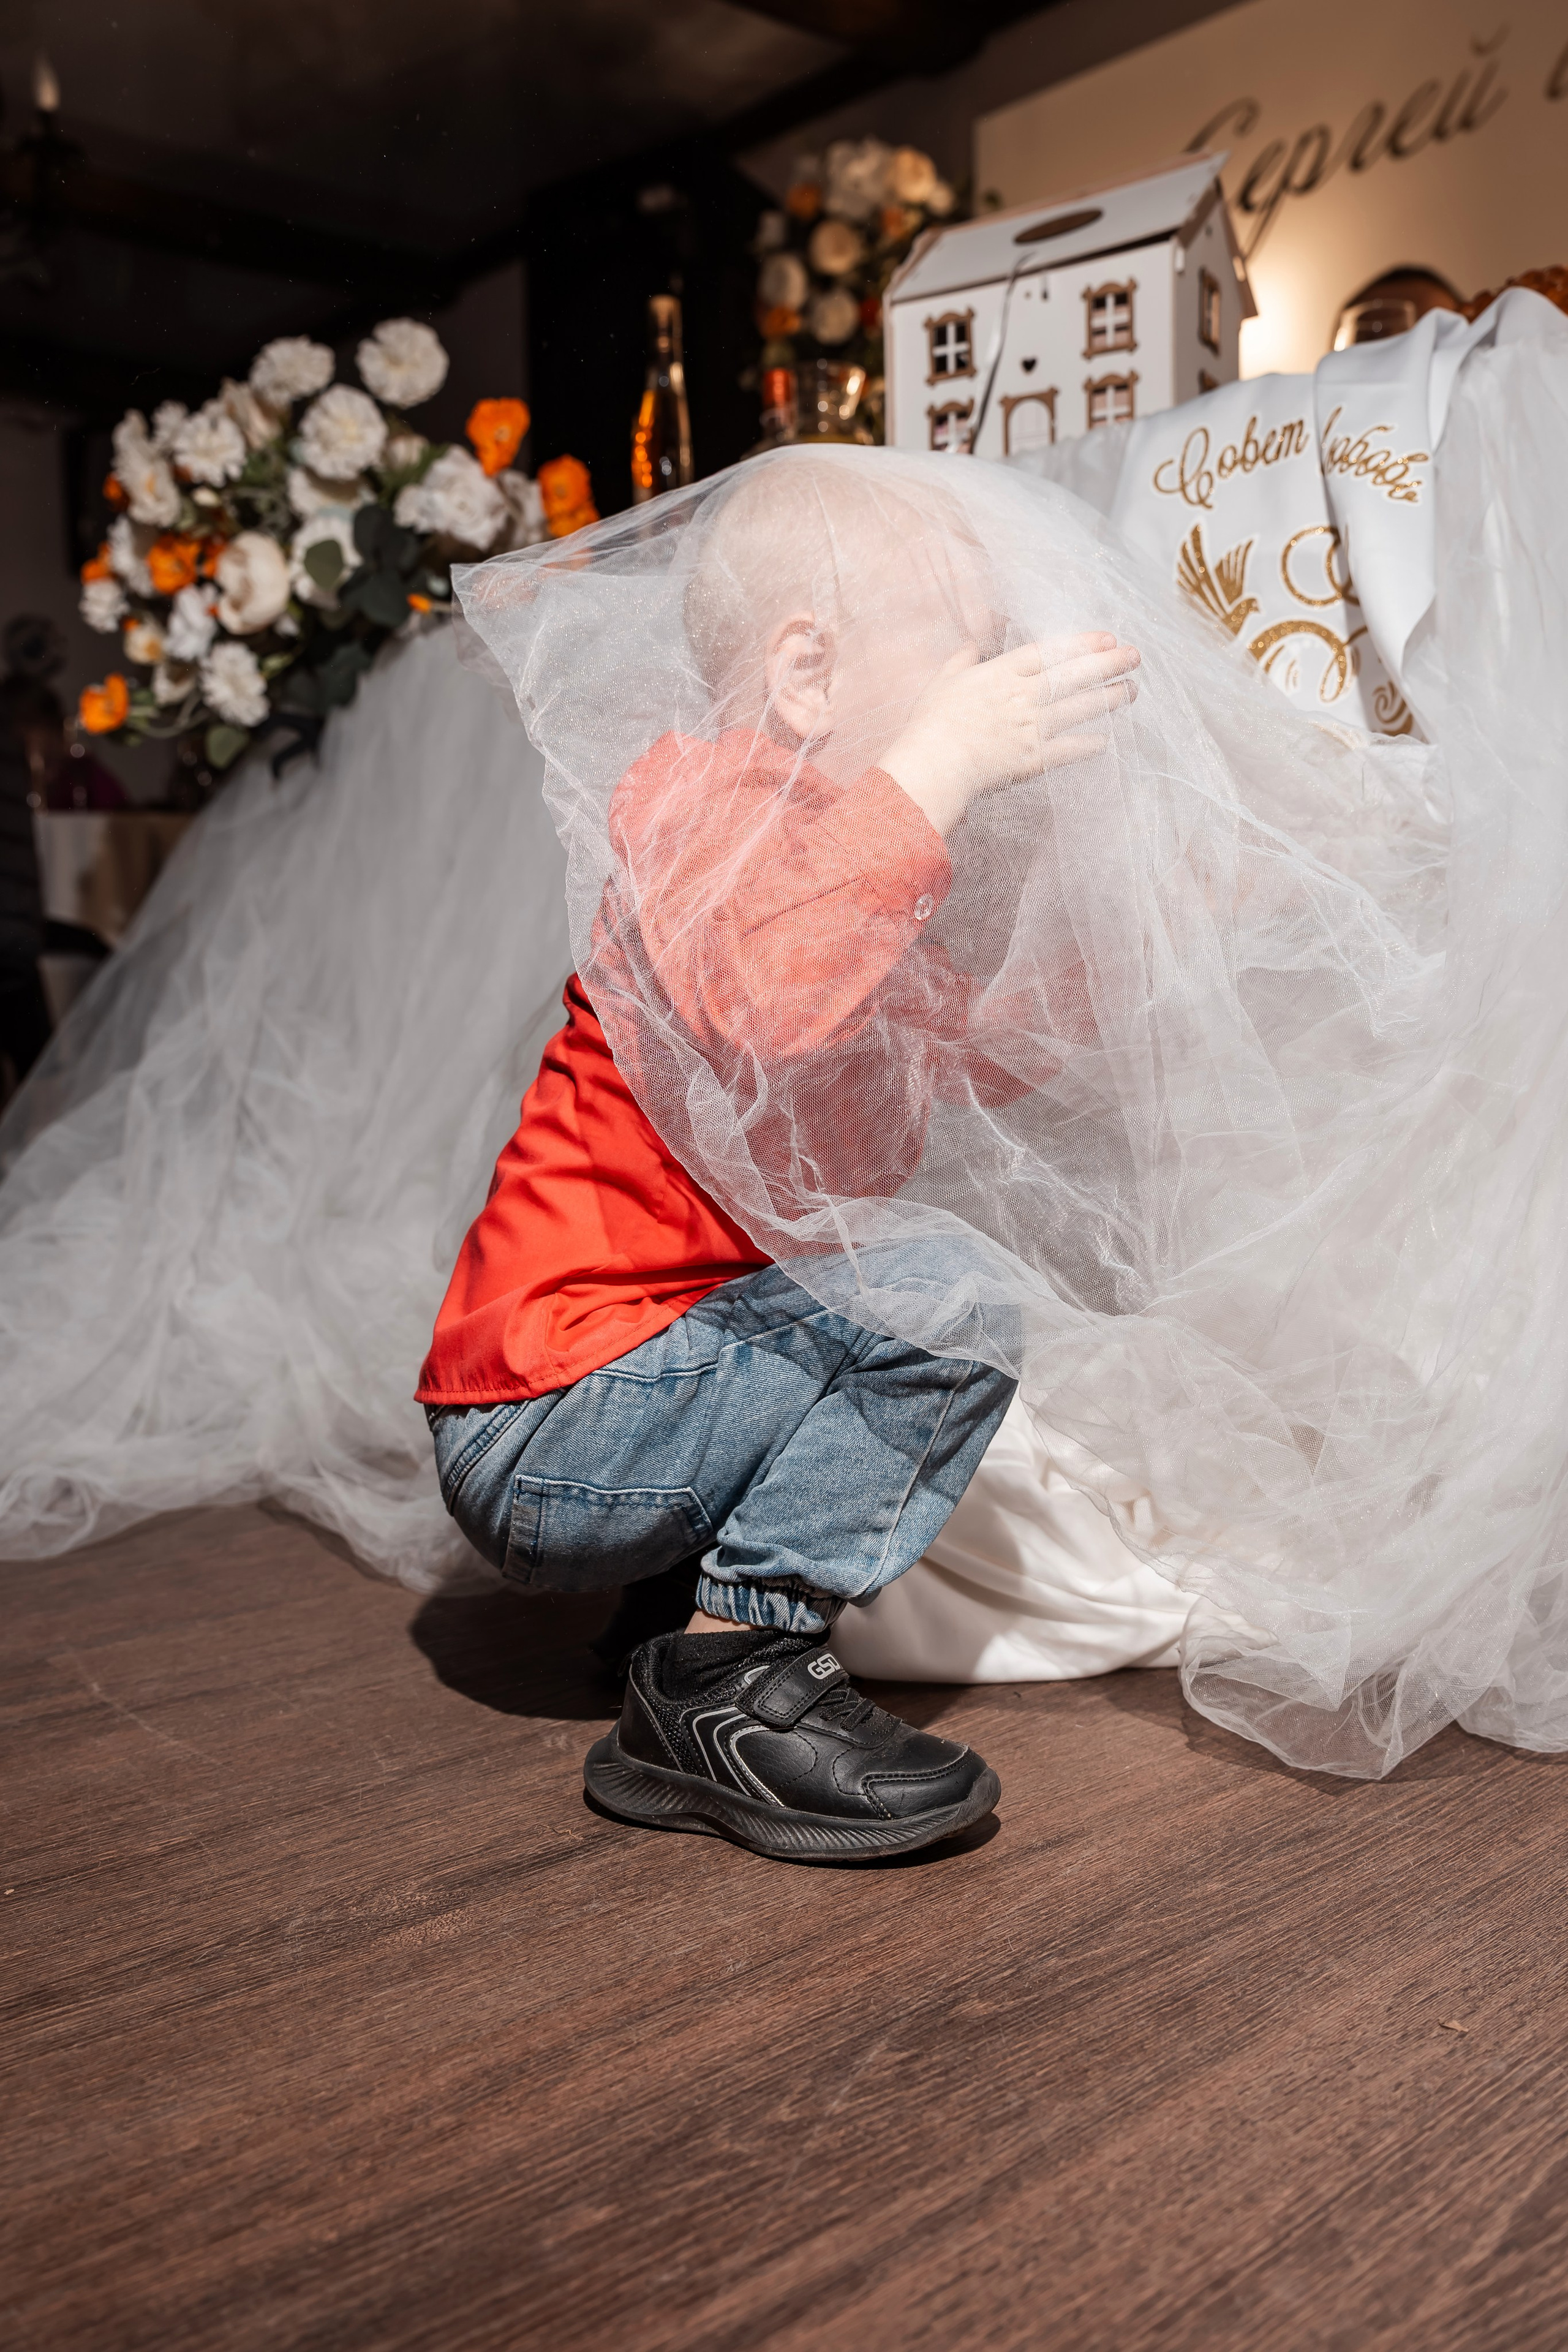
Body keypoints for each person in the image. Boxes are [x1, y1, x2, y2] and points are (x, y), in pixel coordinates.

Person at [419, 461, 1141, 1860]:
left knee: (876, 1257)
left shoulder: (848, 871)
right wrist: (936, 765)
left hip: (627, 1394)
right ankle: (726, 1680)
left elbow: (965, 1050)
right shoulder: (700, 803)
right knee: (942, 1290)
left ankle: (668, 1613)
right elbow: (765, 996)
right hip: (549, 1419)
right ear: (804, 674)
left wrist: (1143, 948)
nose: (989, 691)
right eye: (966, 662)